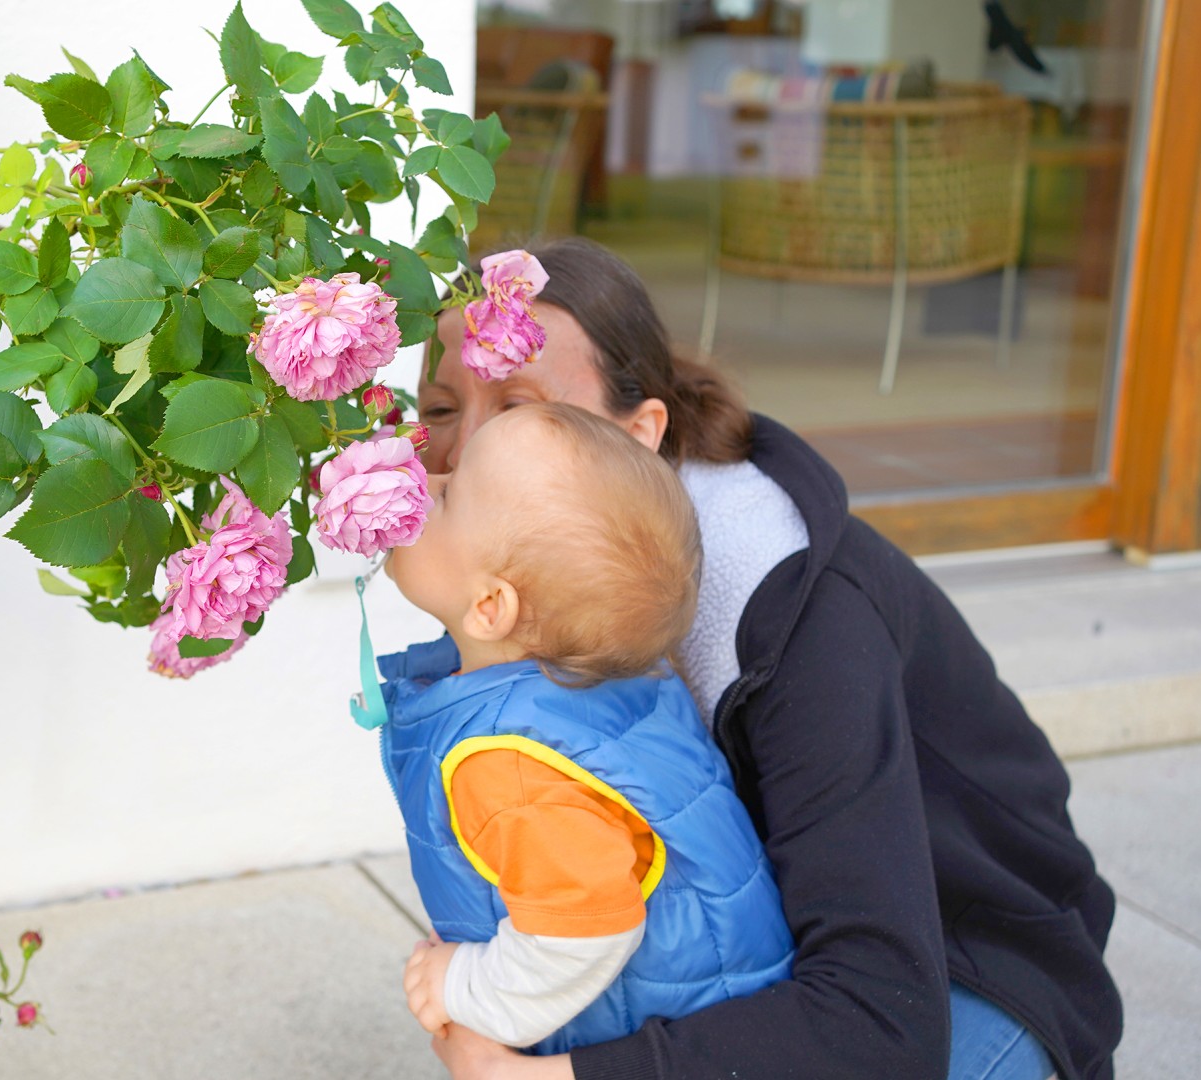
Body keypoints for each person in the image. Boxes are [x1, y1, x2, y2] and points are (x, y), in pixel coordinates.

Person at [415, 237, 1122, 1080]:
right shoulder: (523, 577)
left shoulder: (798, 625)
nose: (460, 458)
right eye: (439, 411)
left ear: (641, 434)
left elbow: (878, 1026)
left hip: (957, 966)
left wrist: (546, 1076)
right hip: (772, 954)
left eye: (522, 408)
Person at [378, 402, 795, 1055]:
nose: (422, 483)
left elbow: (582, 931)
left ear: (491, 606)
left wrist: (462, 986)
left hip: (655, 1034)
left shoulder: (512, 766)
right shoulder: (615, 680)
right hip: (725, 1018)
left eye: (449, 494)